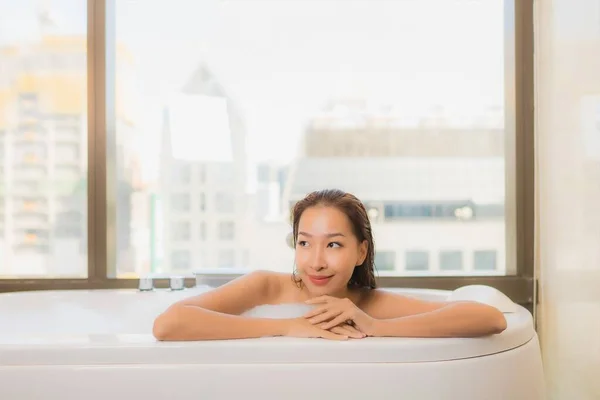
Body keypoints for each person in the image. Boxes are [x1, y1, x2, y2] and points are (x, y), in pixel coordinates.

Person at [153, 189, 507, 341]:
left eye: (334, 244)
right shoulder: (265, 287)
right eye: (305, 243)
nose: (316, 261)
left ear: (361, 252)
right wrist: (289, 327)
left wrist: (375, 327)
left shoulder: (369, 304)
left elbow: (490, 318)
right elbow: (169, 324)